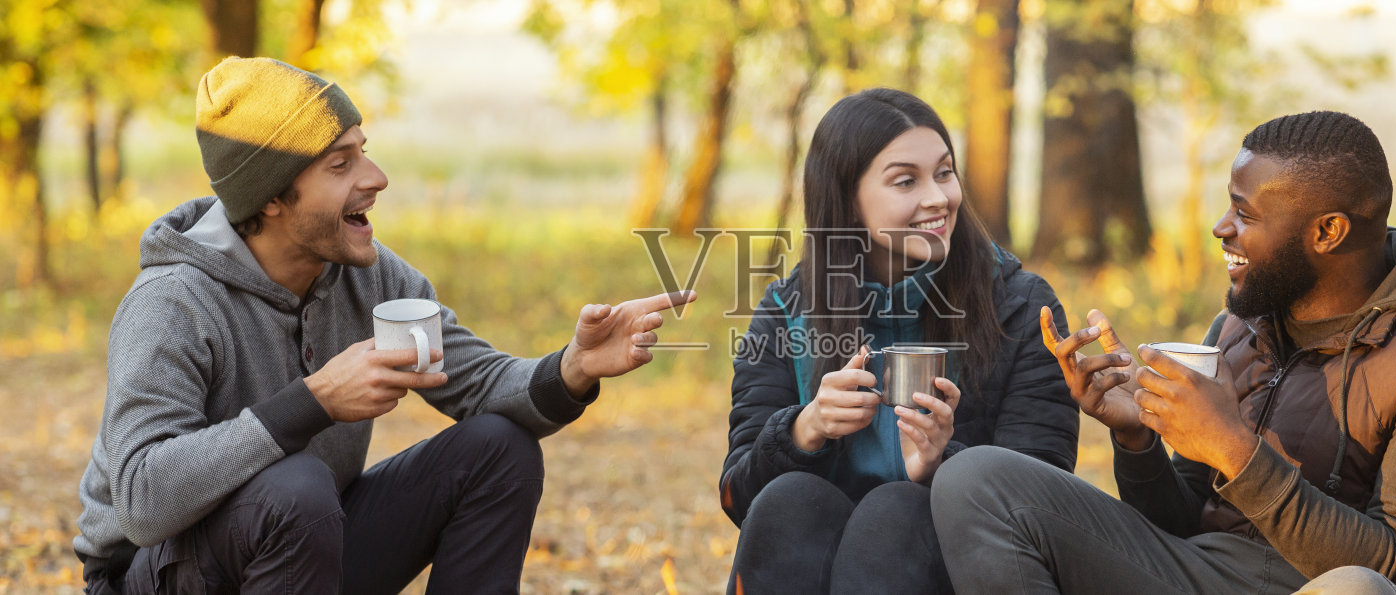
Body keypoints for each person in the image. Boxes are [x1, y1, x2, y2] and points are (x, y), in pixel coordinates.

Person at [73, 57, 695, 594]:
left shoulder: (371, 279)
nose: (376, 179)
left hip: (304, 542)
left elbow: (479, 383)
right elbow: (142, 501)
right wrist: (312, 402)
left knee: (496, 449)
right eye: (340, 165)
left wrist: (573, 367)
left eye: (362, 153)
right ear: (270, 197)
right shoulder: (172, 302)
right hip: (157, 572)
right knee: (296, 487)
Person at [930, 111, 1396, 594]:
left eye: (1245, 213)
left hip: (1319, 589)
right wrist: (1139, 441)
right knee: (976, 477)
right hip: (1198, 574)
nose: (1220, 228)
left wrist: (1236, 450)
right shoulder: (1239, 327)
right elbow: (1182, 523)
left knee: (1359, 593)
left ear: (1327, 232)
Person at [719, 88, 1079, 594]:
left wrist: (943, 464)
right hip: (817, 557)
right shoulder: (787, 312)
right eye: (906, 181)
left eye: (945, 172)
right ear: (848, 199)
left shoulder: (1019, 307)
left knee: (896, 512)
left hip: (952, 565)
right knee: (789, 500)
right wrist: (807, 429)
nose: (938, 197)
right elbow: (739, 497)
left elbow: (1043, 503)